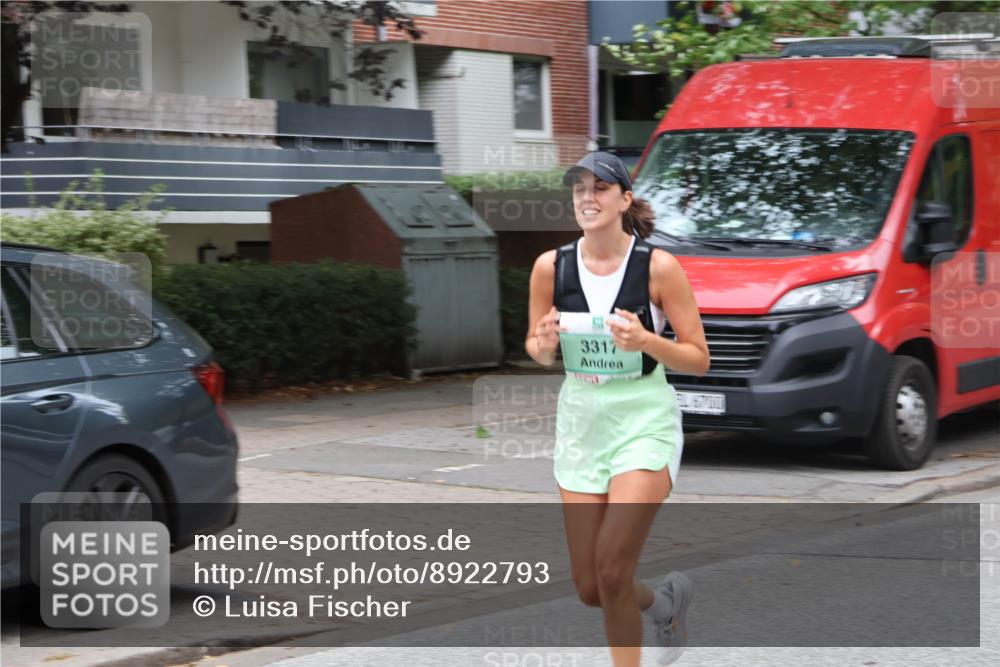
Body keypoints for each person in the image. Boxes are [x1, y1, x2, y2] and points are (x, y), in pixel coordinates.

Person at [525, 151, 710, 667]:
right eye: (579, 188)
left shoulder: (659, 268)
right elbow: (537, 349)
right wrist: (541, 344)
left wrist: (647, 341)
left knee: (611, 571)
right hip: (582, 424)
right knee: (591, 586)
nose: (587, 197)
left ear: (624, 199)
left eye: (600, 188)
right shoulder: (550, 267)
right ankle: (666, 605)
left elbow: (698, 358)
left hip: (642, 424)